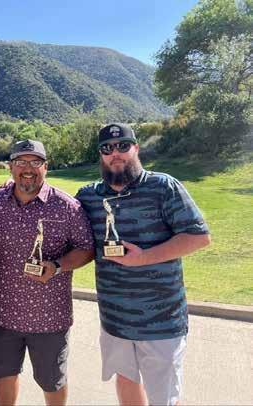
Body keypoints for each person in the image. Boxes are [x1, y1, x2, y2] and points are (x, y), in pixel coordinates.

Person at [76, 123, 211, 406]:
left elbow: (198, 237)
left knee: (164, 397)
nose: (116, 153)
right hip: (115, 320)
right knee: (126, 381)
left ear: (136, 148)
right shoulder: (89, 196)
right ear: (100, 154)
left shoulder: (163, 187)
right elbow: (59, 216)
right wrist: (14, 187)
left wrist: (143, 258)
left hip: (161, 320)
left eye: (123, 146)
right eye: (107, 148)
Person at [0, 139, 95, 406]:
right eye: (21, 162)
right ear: (10, 167)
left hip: (49, 316)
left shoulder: (67, 206)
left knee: (52, 380)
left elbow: (87, 248)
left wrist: (57, 266)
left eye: (35, 162)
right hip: (3, 313)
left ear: (46, 167)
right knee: (4, 373)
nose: (28, 169)